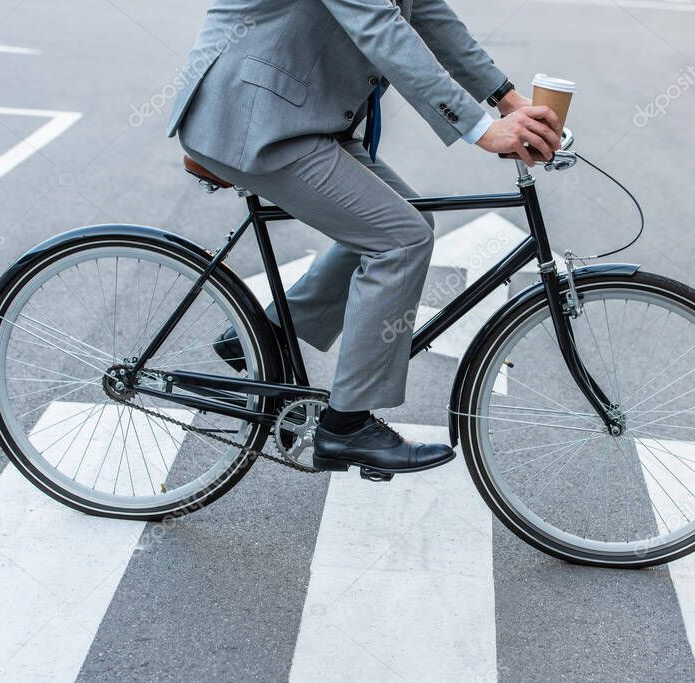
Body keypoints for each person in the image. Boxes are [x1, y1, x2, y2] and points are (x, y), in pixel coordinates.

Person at [168, 0, 560, 476]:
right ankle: (346, 426)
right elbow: (377, 23)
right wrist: (481, 129)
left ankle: (263, 336)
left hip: (297, 112)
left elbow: (427, 12)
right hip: (252, 115)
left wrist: (505, 96)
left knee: (406, 223)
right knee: (401, 239)